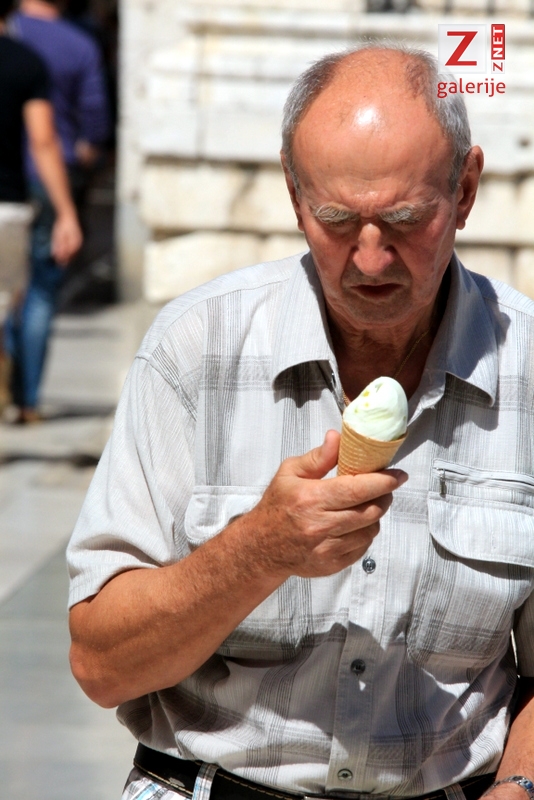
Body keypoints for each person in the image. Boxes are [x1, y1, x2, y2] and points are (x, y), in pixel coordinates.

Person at [67, 44, 534, 800]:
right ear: (293, 193)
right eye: (336, 219)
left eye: (406, 219)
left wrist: (521, 784)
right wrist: (258, 551)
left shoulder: (527, 367)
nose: (371, 259)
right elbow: (101, 666)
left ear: (466, 189)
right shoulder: (195, 350)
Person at [4, 0, 109, 423]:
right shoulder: (77, 45)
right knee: (41, 291)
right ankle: (27, 400)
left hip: (16, 177)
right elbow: (90, 120)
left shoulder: (19, 36)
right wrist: (72, 195)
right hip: (50, 178)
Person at [0, 0, 81, 414]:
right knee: (9, 300)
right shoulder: (25, 62)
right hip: (7, 205)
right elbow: (43, 141)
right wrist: (66, 211)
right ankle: (23, 399)